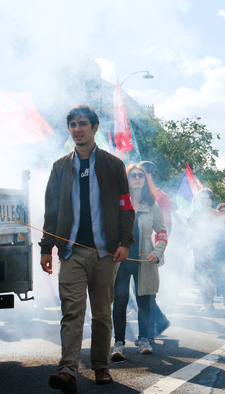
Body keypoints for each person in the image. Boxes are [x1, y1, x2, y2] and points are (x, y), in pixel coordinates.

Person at [40, 104, 135, 392]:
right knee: (72, 312)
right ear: (69, 130)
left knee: (102, 314)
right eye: (72, 125)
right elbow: (51, 211)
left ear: (94, 128)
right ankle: (67, 370)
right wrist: (46, 248)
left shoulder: (113, 165)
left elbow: (125, 207)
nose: (77, 129)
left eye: (83, 124)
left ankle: (100, 367)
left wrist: (125, 242)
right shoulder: (60, 167)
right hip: (69, 252)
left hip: (106, 252)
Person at [111, 164, 168, 360]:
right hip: (120, 259)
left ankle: (144, 340)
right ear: (126, 180)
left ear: (145, 180)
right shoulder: (117, 203)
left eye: (140, 176)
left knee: (145, 301)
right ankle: (118, 343)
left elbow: (162, 233)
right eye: (133, 175)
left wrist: (157, 252)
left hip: (145, 260)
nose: (136, 178)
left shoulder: (153, 206)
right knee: (119, 301)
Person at [138, 161, 171, 341]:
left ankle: (149, 333)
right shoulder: (135, 194)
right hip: (135, 250)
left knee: (147, 291)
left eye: (141, 174)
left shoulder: (161, 196)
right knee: (135, 292)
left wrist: (160, 250)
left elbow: (165, 226)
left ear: (149, 175)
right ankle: (159, 321)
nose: (137, 178)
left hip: (151, 251)